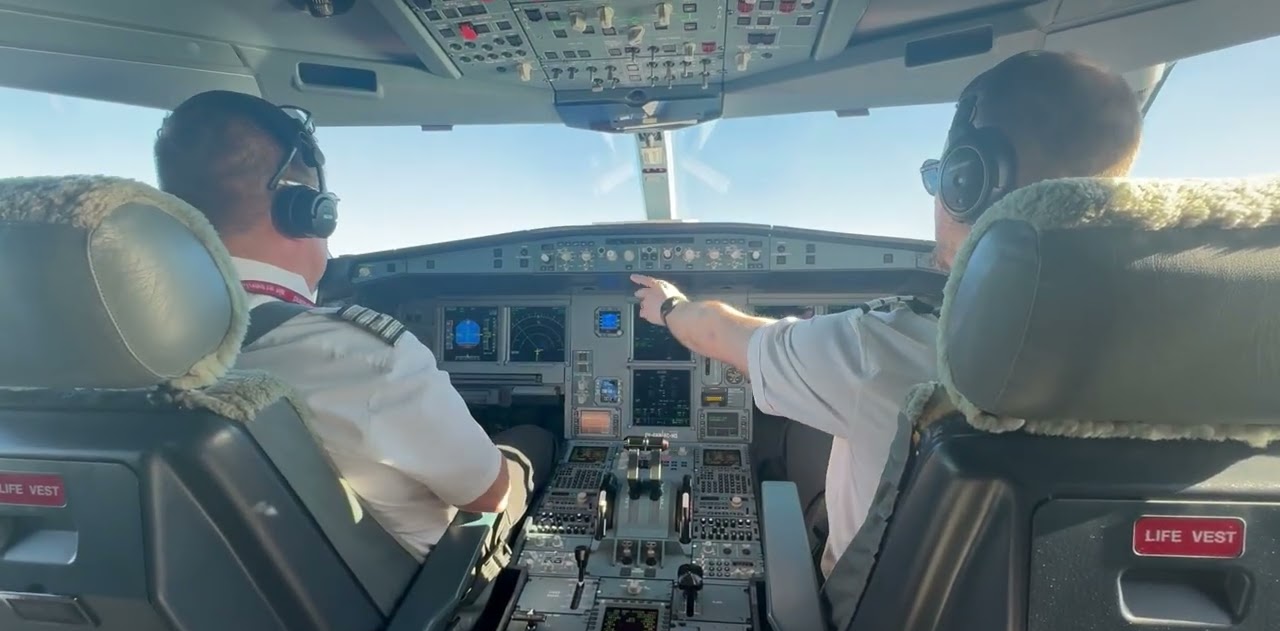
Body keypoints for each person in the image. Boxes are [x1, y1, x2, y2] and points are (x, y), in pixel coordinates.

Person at [632, 50, 1144, 577]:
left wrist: (669, 305)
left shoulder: (882, 350)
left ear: (963, 183)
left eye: (941, 177)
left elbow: (719, 333)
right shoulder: (1171, 355)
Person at [154, 90, 557, 561]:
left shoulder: (137, 352)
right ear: (308, 209)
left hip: (250, 597)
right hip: (420, 596)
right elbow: (487, 496)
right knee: (533, 443)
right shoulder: (364, 357)